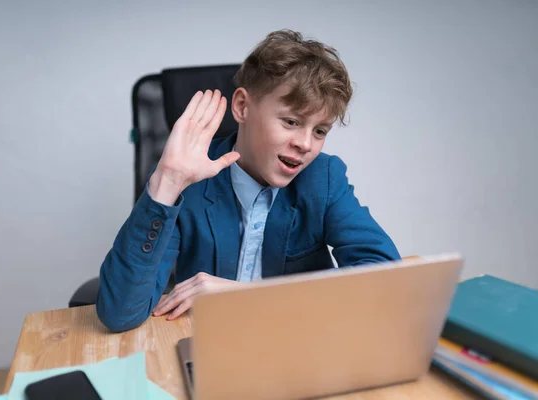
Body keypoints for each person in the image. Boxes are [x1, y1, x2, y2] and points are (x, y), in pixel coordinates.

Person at [96, 29, 400, 332]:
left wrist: (246, 295)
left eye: (320, 131)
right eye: (291, 122)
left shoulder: (324, 178)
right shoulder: (187, 181)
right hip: (212, 340)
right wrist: (167, 182)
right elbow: (119, 313)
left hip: (298, 336)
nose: (306, 144)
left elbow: (384, 280)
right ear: (242, 107)